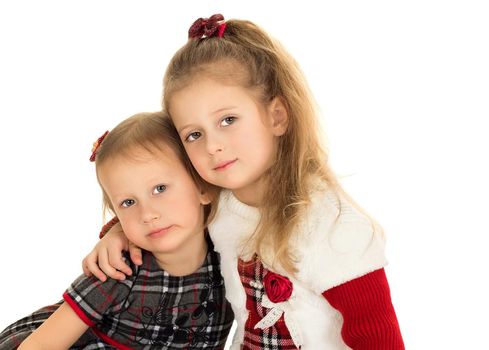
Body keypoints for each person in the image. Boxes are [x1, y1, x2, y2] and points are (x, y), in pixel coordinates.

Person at [83, 14, 404, 349]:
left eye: (228, 119)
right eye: (194, 134)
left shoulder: (331, 223)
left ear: (276, 115)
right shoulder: (221, 203)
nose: (212, 145)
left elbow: (377, 334)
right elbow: (165, 212)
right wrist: (119, 232)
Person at [0, 111, 234, 349]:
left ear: (203, 189)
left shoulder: (232, 257)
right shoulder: (118, 271)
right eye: (128, 203)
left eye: (160, 188)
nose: (147, 214)